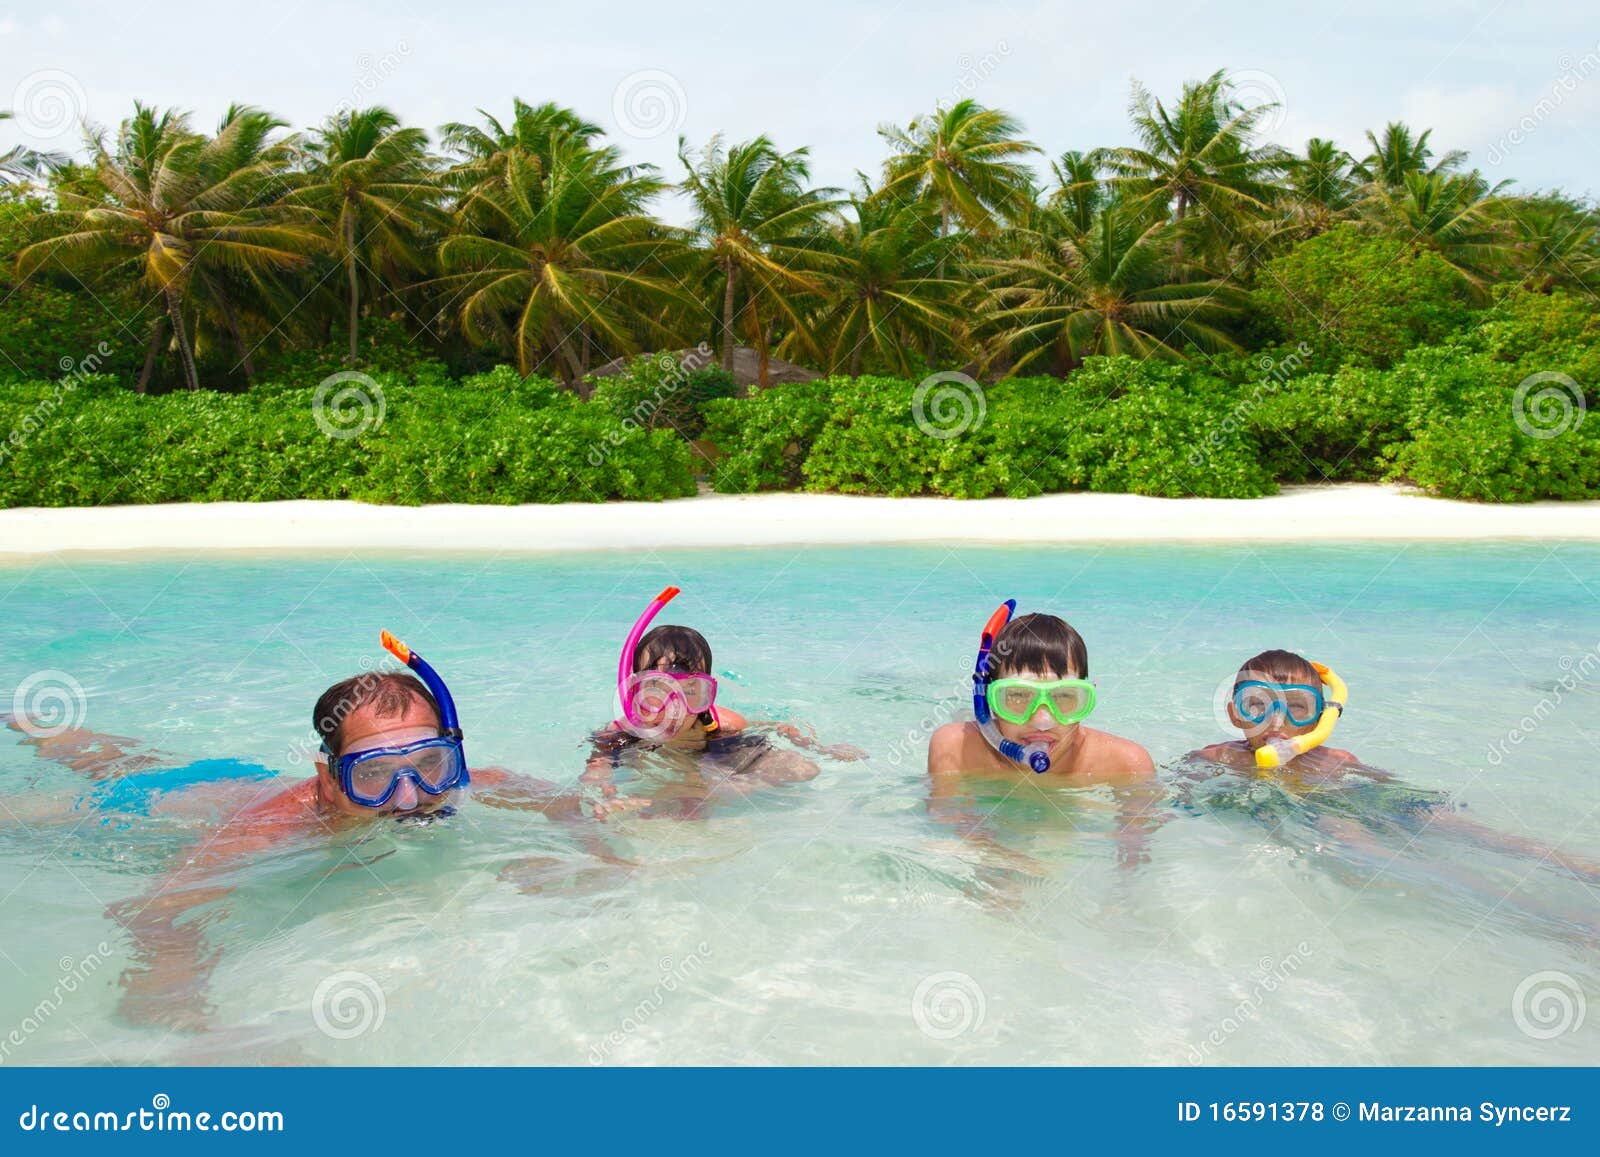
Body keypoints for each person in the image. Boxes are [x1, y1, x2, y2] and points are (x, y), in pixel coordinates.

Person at [7, 631, 637, 1030]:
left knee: (118, 756)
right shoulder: (274, 829)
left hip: (235, 778)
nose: (410, 797)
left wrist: (591, 856)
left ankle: (41, 724)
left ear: (455, 758)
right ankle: (36, 725)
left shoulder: (473, 782)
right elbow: (157, 907)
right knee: (66, 796)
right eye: (375, 776)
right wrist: (176, 995)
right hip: (160, 807)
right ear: (329, 778)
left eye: (429, 765)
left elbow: (566, 806)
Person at [1179, 648, 1600, 885]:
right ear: (1234, 713)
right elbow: (1180, 794)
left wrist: (1419, 808)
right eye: (1257, 706)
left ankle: (1582, 868)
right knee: (1355, 840)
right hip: (1323, 812)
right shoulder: (1218, 757)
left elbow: (1389, 791)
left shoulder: (1338, 760)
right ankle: (1525, 909)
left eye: (1297, 708)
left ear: (1321, 716)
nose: (1277, 722)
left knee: (1464, 829)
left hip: (1356, 795)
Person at [585, 586, 859, 816]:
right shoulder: (622, 732)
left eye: (690, 690)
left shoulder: (722, 725)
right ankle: (687, 794)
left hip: (713, 752)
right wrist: (607, 793)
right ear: (634, 690)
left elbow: (775, 731)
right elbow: (596, 772)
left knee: (803, 769)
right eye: (657, 688)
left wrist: (813, 745)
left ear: (706, 694)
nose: (674, 707)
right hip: (662, 762)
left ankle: (690, 793)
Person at [927, 600, 1159, 870]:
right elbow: (948, 827)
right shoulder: (957, 748)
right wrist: (1012, 866)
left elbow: (1137, 852)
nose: (1042, 722)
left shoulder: (1126, 764)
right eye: (1017, 696)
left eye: (1064, 697)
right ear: (988, 700)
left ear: (1085, 698)